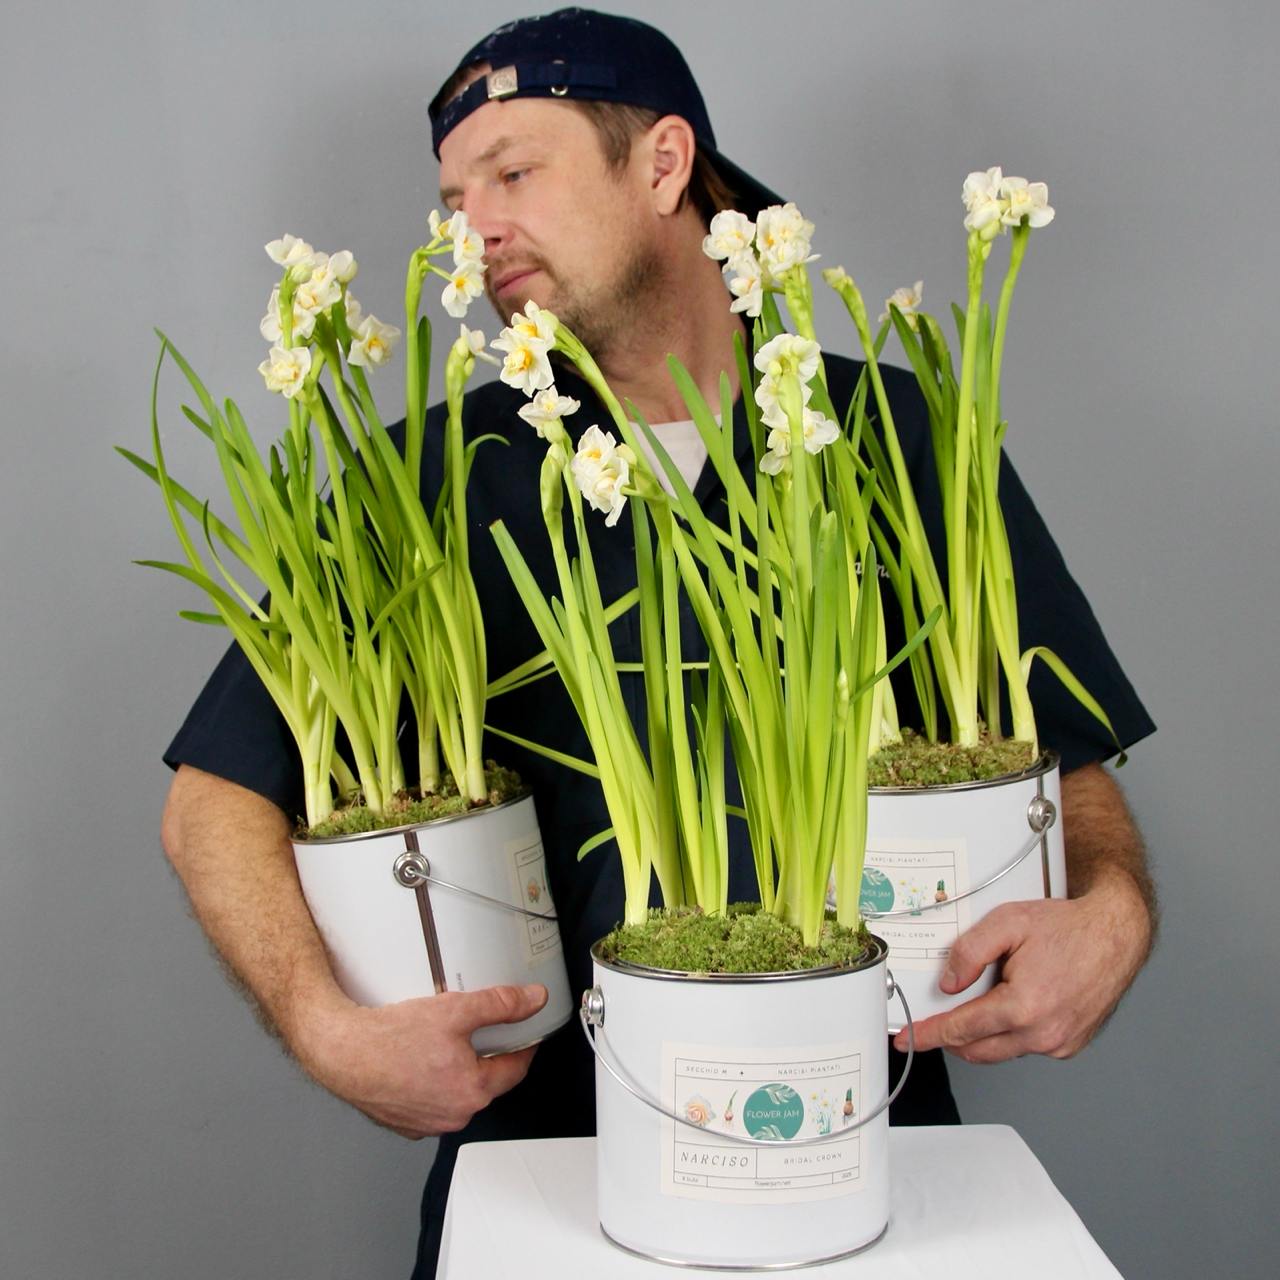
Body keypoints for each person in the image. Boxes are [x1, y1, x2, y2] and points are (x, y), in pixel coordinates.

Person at [160, 9, 1156, 1277]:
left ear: (664, 163)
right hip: (543, 1171)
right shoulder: (431, 476)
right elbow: (211, 799)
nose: (475, 228)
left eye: (513, 172)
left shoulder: (894, 433)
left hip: (866, 1152)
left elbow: (1066, 765)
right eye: (455, 199)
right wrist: (320, 1023)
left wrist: (1110, 913)